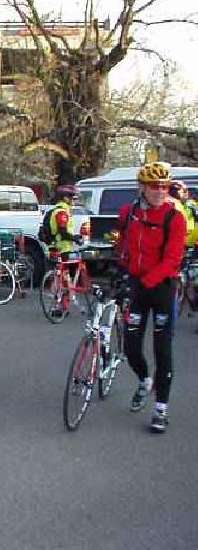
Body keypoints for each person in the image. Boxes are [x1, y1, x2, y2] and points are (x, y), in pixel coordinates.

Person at [117, 161, 186, 433]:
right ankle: (144, 380)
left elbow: (172, 261)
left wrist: (142, 283)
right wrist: (120, 270)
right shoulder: (130, 212)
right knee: (131, 347)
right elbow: (123, 243)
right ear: (142, 187)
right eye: (154, 186)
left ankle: (161, 409)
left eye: (164, 186)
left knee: (162, 349)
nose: (160, 191)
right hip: (137, 286)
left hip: (161, 289)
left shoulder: (174, 217)